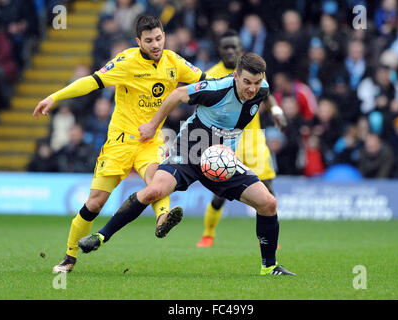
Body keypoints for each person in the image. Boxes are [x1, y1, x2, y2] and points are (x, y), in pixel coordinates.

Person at [79, 53, 295, 276]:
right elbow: (177, 94)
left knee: (268, 203)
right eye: (247, 82)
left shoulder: (262, 89)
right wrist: (153, 126)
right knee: (155, 190)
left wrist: (276, 111)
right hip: (190, 151)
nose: (252, 88)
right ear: (235, 76)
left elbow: (266, 96)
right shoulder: (216, 89)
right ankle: (101, 236)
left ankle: (269, 267)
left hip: (221, 161)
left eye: (257, 82)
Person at [32, 14, 206, 273]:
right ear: (139, 41)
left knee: (156, 180)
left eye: (159, 38)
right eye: (149, 41)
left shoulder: (174, 62)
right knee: (95, 203)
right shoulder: (126, 62)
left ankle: (162, 220)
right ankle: (69, 257)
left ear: (164, 36)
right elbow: (91, 82)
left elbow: (207, 83)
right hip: (120, 143)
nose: (156, 44)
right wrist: (55, 97)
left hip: (151, 141)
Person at [195, 29, 285, 248]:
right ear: (219, 50)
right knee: (221, 195)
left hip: (253, 138)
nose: (230, 51)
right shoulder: (210, 74)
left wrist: (277, 112)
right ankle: (208, 234)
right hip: (225, 140)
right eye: (225, 47)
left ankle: (268, 237)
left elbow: (267, 95)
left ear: (240, 49)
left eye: (234, 47)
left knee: (267, 190)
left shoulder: (254, 73)